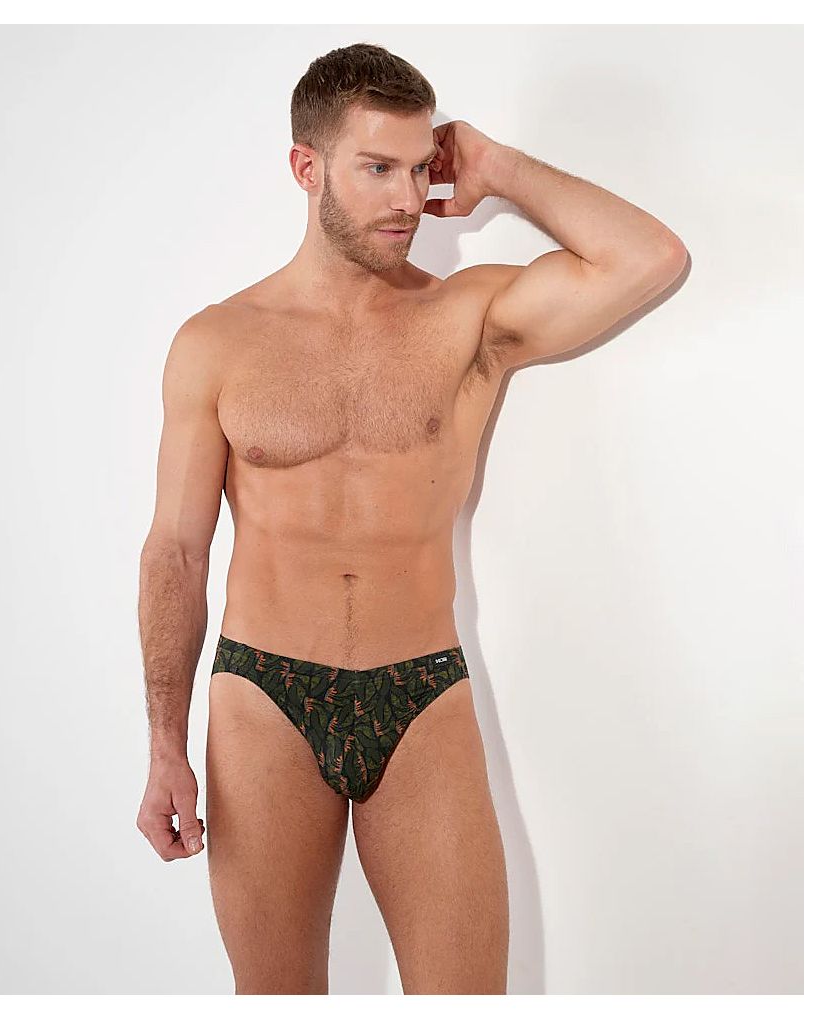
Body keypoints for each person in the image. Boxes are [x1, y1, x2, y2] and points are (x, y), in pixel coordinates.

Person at [135, 42, 687, 994]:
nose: (406, 198)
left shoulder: (466, 318)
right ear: (306, 168)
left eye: (420, 165)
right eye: (376, 168)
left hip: (420, 691)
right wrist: (163, 745)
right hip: (264, 698)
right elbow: (176, 553)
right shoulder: (217, 342)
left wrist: (496, 166)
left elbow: (651, 257)